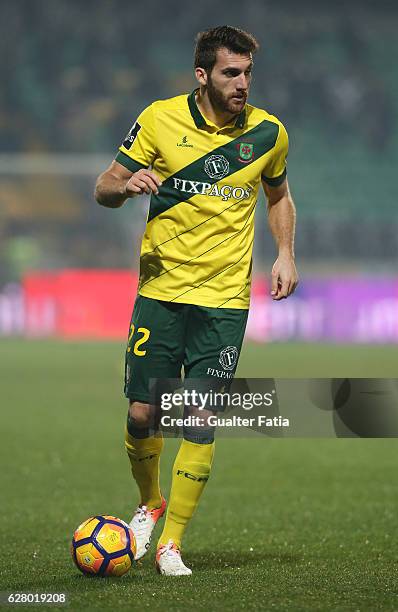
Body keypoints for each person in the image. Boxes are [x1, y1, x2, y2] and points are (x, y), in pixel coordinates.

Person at [94, 25, 298, 576]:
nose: (243, 84)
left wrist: (285, 253)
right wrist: (128, 183)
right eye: (232, 73)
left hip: (224, 302)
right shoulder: (159, 118)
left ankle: (170, 544)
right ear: (203, 75)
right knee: (142, 413)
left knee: (200, 417)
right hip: (160, 293)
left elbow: (278, 195)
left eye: (248, 73)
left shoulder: (268, 133)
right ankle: (149, 504)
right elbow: (103, 187)